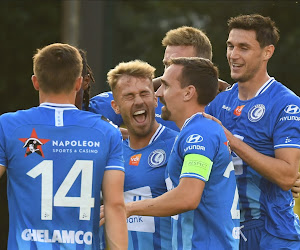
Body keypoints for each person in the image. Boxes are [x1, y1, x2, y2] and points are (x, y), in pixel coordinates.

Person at [101, 57, 240, 249]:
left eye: (165, 85)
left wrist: (127, 208)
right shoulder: (197, 130)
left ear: (188, 93)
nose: (158, 94)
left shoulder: (199, 133)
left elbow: (187, 197)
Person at [0, 43, 127, 249]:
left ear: (35, 82)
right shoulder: (106, 132)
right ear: (79, 83)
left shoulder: (8, 126)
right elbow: (115, 207)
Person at [204, 14, 300, 249]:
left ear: (267, 52)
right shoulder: (218, 103)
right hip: (228, 229)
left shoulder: (286, 103)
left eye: (243, 48)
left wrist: (231, 140)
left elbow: (287, 176)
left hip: (272, 231)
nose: (233, 55)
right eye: (230, 46)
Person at [89, 26, 229, 133]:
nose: (168, 72)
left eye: (176, 65)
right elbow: (86, 120)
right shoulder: (152, 97)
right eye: (166, 65)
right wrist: (131, 138)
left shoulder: (225, 104)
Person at [106, 59, 178, 249]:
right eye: (129, 96)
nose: (138, 101)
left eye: (144, 93)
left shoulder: (177, 144)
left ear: (155, 99)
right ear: (115, 106)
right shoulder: (112, 151)